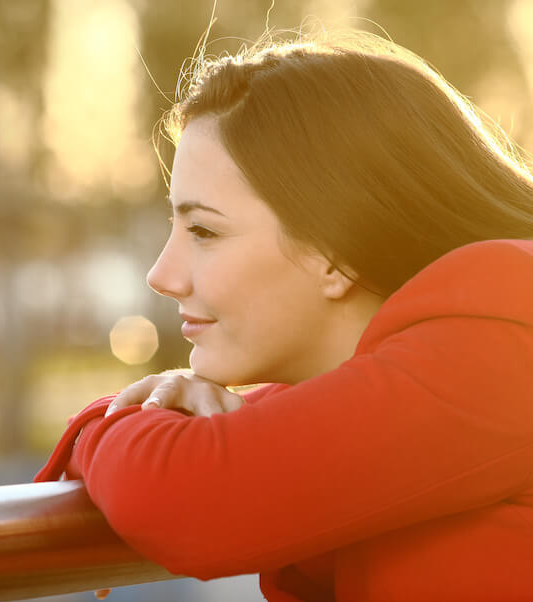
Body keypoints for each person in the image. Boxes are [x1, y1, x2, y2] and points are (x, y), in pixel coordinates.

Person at [35, 28, 533, 602]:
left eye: (204, 231)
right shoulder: (427, 377)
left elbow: (185, 499)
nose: (162, 275)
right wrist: (149, 415)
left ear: (336, 249)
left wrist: (111, 424)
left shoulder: (499, 353)